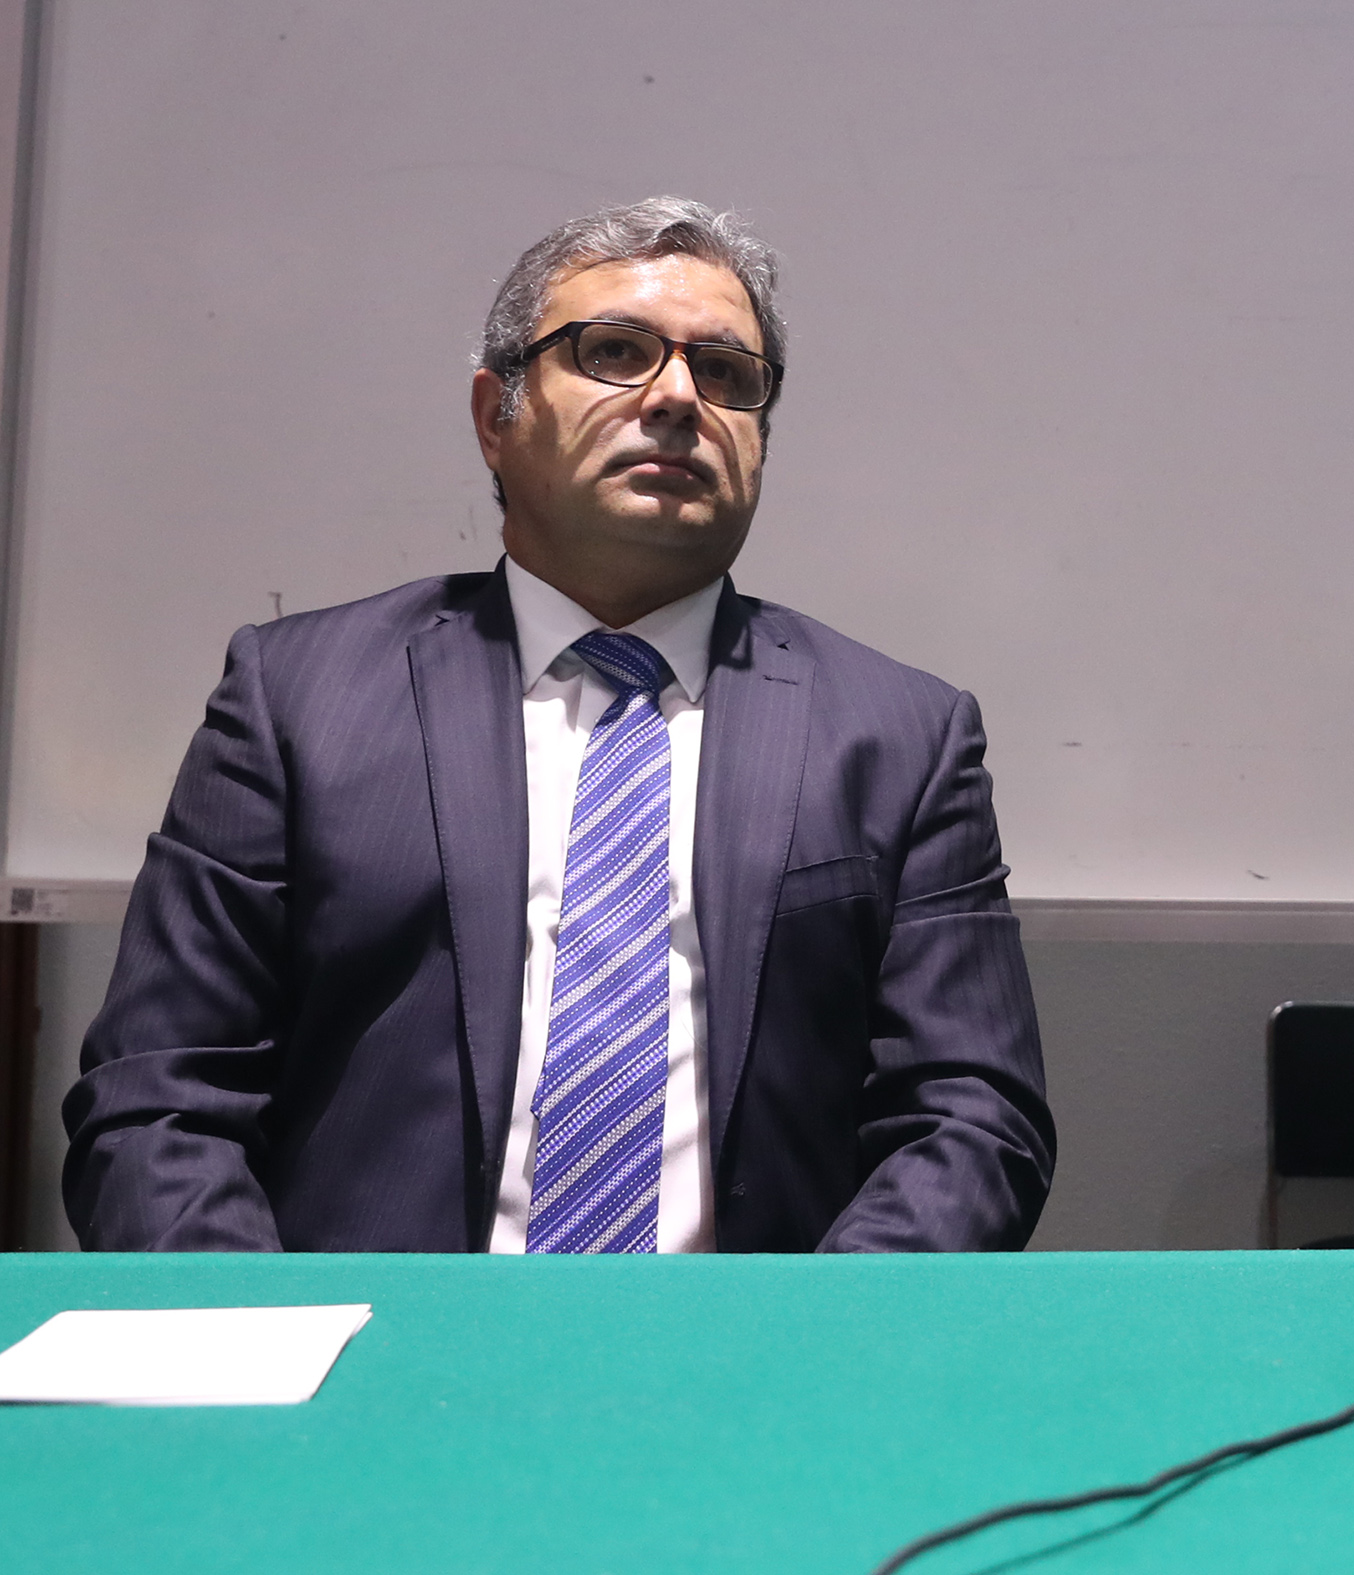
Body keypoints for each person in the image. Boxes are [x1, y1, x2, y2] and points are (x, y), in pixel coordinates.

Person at [62, 197, 1054, 1253]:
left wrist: (812, 1337)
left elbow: (970, 1117)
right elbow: (157, 1096)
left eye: (726, 372)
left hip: (755, 1344)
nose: (677, 396)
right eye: (615, 352)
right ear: (496, 415)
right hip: (371, 1339)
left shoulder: (901, 737)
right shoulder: (298, 699)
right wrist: (265, 1332)